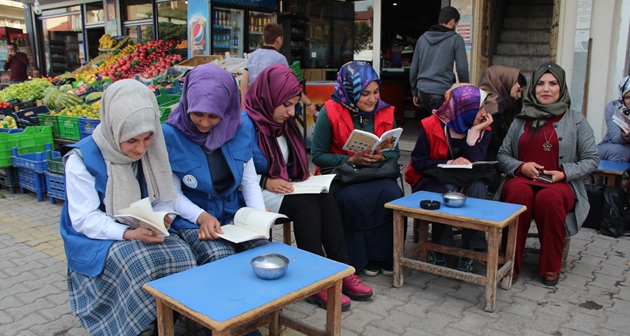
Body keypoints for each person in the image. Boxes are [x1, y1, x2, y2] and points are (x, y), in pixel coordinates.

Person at [60, 80, 197, 336]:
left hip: (138, 226)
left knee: (184, 256)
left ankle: (161, 323)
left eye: (148, 137)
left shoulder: (151, 149)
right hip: (96, 236)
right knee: (139, 262)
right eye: (131, 140)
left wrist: (163, 214)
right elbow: (84, 219)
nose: (141, 148)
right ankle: (128, 325)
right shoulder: (81, 159)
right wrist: (128, 233)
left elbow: (163, 194)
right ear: (114, 129)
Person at [244, 64, 373, 312]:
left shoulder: (282, 123)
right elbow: (236, 172)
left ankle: (340, 269)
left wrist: (299, 181)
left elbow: (292, 163)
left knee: (325, 197)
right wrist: (265, 181)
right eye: (286, 105)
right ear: (268, 97)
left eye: (295, 105)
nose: (292, 112)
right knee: (306, 205)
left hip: (285, 185)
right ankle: (314, 280)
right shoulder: (246, 124)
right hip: (256, 193)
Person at [495, 62, 599, 286]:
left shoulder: (577, 120)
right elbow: (502, 155)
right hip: (521, 180)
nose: (546, 89)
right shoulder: (520, 119)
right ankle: (509, 262)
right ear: (533, 88)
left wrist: (563, 173)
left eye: (553, 83)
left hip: (560, 185)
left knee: (549, 199)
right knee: (519, 195)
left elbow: (592, 159)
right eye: (540, 83)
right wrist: (521, 167)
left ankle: (551, 265)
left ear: (561, 88)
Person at [162, 63, 269, 267]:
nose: (204, 123)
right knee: (220, 259)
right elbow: (172, 194)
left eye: (213, 116)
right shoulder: (171, 135)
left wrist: (258, 217)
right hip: (193, 218)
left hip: (233, 214)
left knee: (262, 252)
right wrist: (201, 217)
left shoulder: (241, 128)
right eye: (197, 114)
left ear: (227, 109)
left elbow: (249, 182)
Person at [311, 61, 403, 276]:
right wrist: (350, 160)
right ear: (349, 91)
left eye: (376, 92)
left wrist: (383, 154)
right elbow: (317, 156)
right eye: (365, 94)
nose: (373, 99)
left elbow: (395, 152)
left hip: (377, 171)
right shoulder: (330, 111)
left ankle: (385, 255)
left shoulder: (386, 111)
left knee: (391, 192)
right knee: (353, 198)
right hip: (345, 177)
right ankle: (362, 257)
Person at [404, 84, 493, 272]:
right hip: (433, 177)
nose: (484, 113)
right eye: (480, 108)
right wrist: (448, 162)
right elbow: (419, 162)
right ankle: (440, 246)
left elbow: (477, 164)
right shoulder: (430, 126)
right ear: (464, 109)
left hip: (468, 179)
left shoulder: (484, 128)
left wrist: (472, 136)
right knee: (448, 190)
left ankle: (471, 249)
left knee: (478, 187)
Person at [239, 22, 316, 114]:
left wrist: (244, 107)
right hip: (270, 109)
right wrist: (309, 103)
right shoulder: (280, 58)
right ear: (279, 39)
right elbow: (291, 87)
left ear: (263, 38)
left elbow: (243, 84)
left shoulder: (252, 56)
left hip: (253, 107)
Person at [410, 6, 469, 117]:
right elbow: (462, 69)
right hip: (442, 92)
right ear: (452, 22)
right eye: (456, 24)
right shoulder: (456, 39)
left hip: (422, 92)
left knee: (428, 127)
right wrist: (465, 92)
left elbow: (414, 69)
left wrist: (415, 92)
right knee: (441, 130)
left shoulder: (422, 39)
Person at [478, 65, 527, 192]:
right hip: (485, 164)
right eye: (518, 89)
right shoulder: (491, 107)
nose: (519, 95)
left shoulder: (498, 103)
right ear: (506, 82)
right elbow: (491, 138)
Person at [597, 76, 630, 162]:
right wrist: (624, 136)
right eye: (627, 97)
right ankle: (614, 175)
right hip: (613, 145)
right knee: (619, 151)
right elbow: (615, 137)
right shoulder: (613, 107)